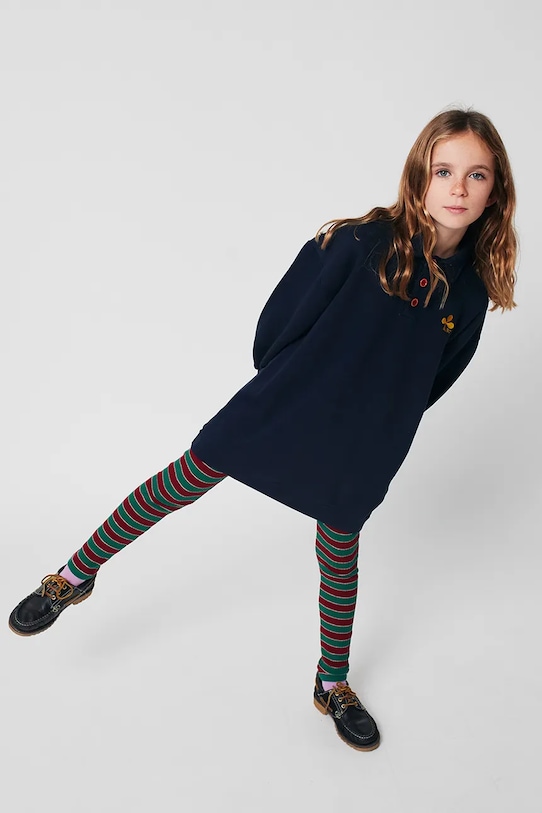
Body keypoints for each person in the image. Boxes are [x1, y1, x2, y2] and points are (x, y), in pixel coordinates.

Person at [8, 107, 518, 752]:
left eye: (476, 175)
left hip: (367, 439)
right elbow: (277, 325)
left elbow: (440, 375)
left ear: (495, 190)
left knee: (339, 551)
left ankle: (331, 682)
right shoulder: (358, 243)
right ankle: (73, 575)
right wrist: (294, 384)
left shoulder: (470, 292)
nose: (458, 188)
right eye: (444, 171)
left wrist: (383, 416)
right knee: (181, 481)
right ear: (420, 174)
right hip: (288, 401)